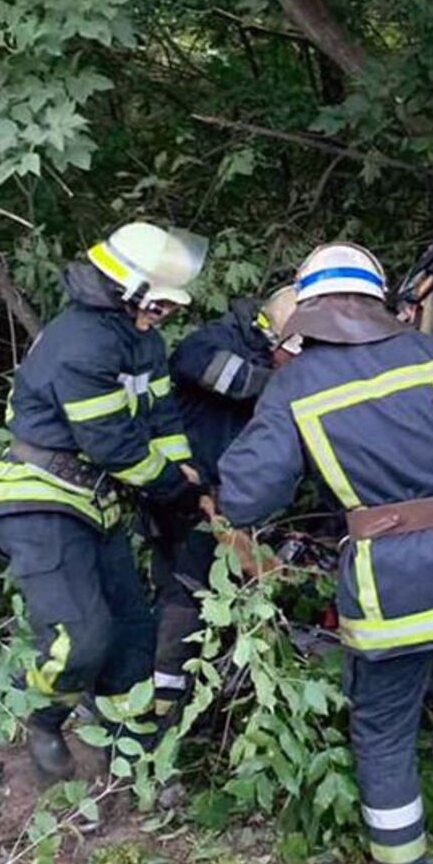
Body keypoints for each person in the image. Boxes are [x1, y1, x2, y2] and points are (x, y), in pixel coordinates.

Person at [216, 242, 433, 864]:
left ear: (307, 313)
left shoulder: (295, 386)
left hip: (389, 589)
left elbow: (246, 497)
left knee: (383, 727)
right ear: (378, 301)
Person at [0, 222, 209, 781]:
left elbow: (160, 418)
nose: (165, 315)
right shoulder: (80, 344)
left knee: (133, 640)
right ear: (126, 289)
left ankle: (129, 759)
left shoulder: (143, 340)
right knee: (81, 640)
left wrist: (188, 473)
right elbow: (111, 442)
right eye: (159, 303)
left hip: (99, 503)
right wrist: (173, 489)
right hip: (40, 499)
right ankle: (41, 715)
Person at [146, 285, 299, 724]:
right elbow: (229, 379)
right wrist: (303, 382)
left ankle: (216, 712)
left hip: (243, 504)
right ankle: (163, 712)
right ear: (271, 335)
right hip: (190, 496)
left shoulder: (275, 354)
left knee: (242, 599)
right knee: (187, 594)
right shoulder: (209, 344)